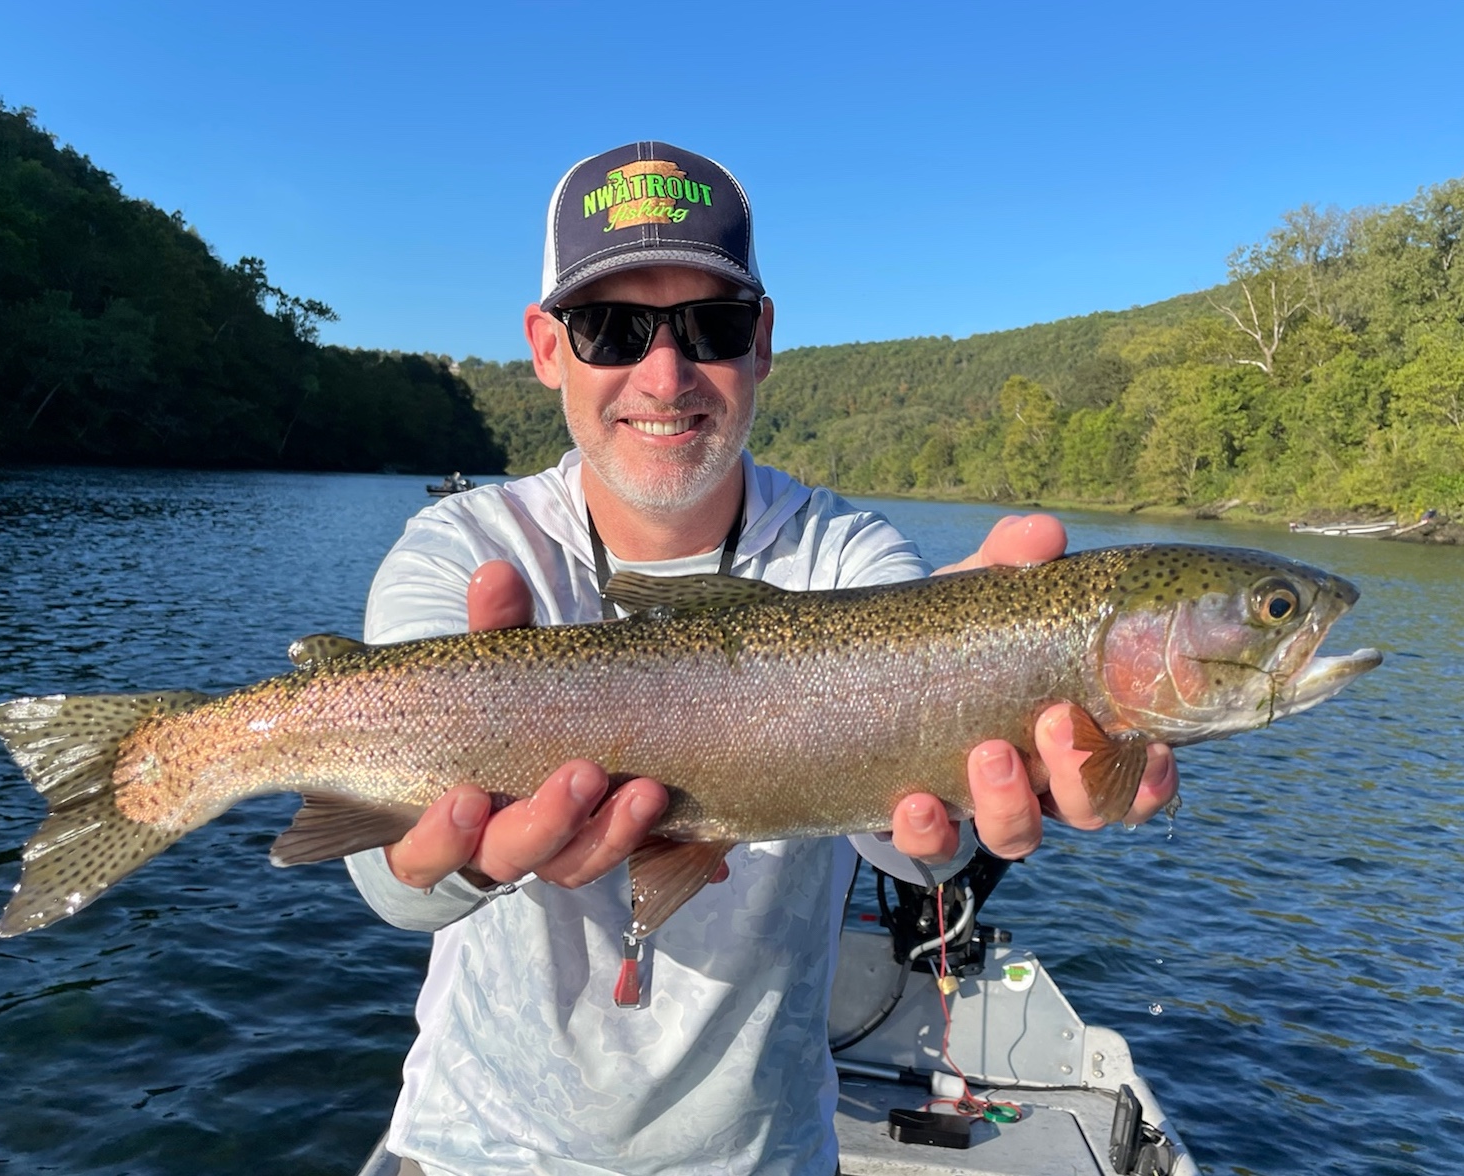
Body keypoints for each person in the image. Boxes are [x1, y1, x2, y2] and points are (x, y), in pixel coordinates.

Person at [346, 142, 1178, 1176]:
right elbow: (389, 883)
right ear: (547, 348)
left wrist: (967, 746)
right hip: (480, 1149)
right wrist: (457, 860)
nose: (664, 375)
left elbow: (909, 845)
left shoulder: (848, 555)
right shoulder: (461, 550)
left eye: (712, 326)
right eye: (611, 328)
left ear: (763, 342)